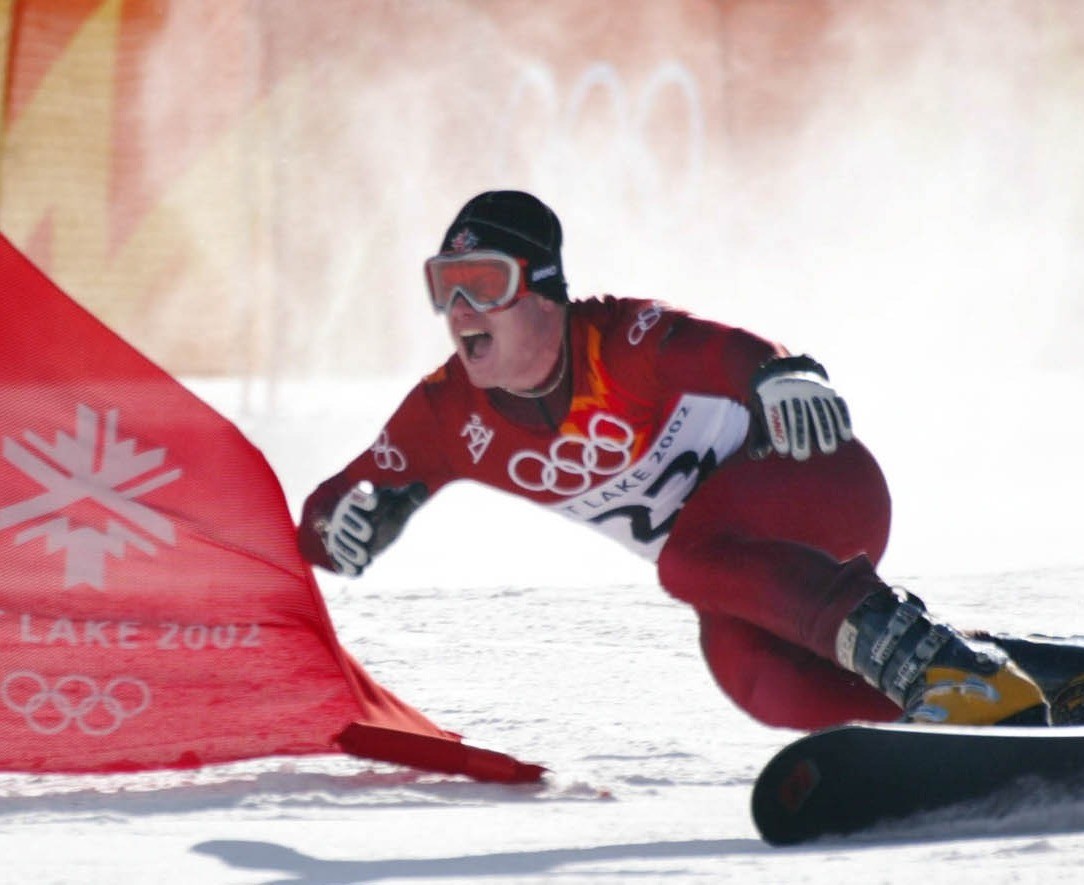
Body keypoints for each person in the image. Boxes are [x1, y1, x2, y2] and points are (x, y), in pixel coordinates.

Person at [298, 190, 1084, 730]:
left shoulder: (616, 342)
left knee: (686, 561)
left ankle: (957, 678)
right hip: (750, 567)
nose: (460, 310)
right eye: (446, 288)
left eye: (483, 283)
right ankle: (995, 687)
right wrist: (345, 525)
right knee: (749, 669)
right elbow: (333, 505)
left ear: (544, 291)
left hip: (818, 488)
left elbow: (720, 348)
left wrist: (780, 373)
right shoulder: (446, 412)